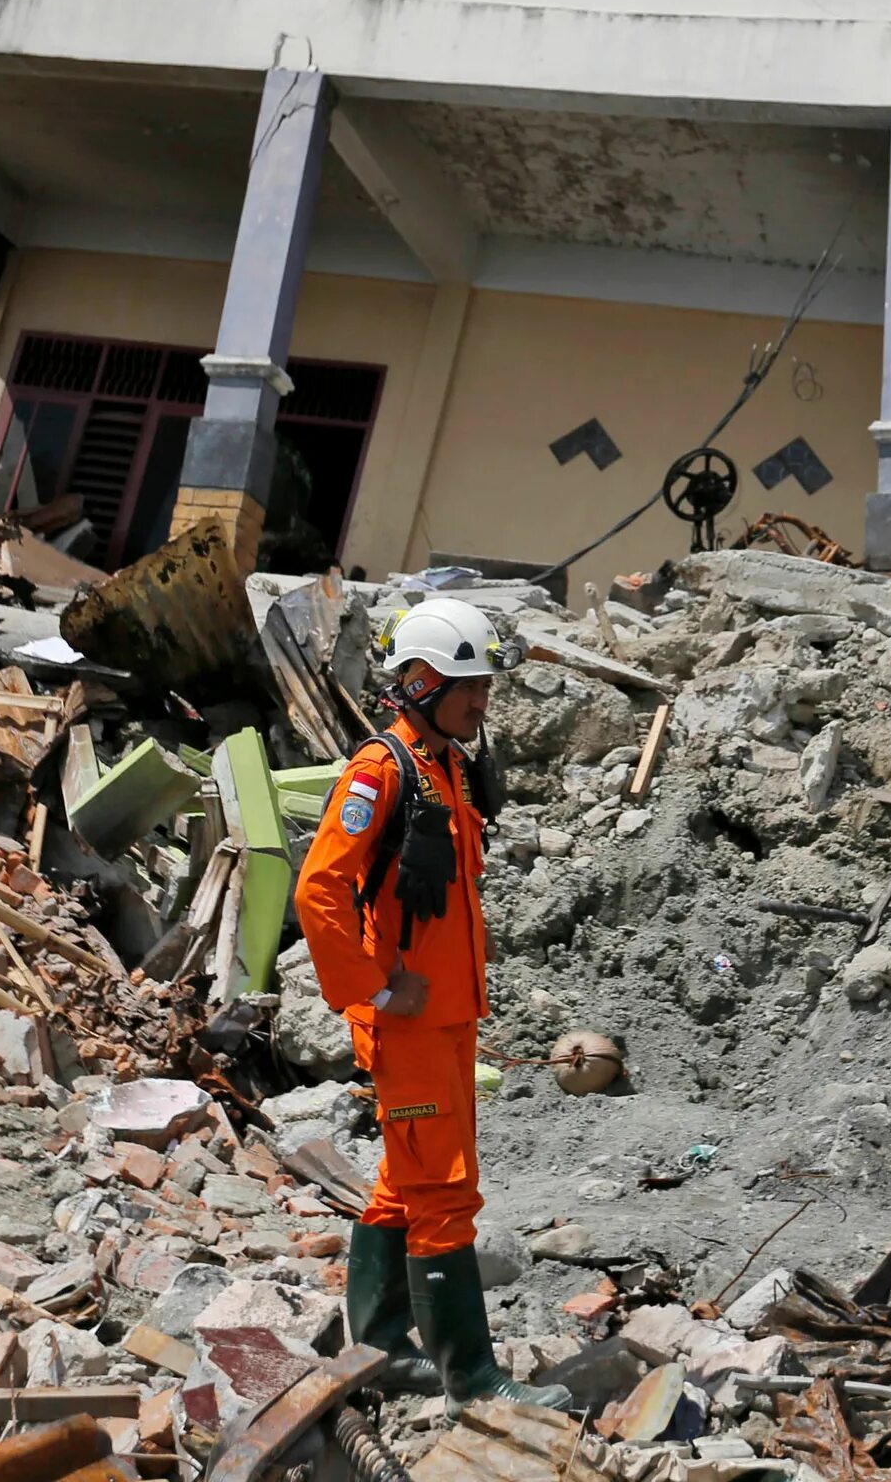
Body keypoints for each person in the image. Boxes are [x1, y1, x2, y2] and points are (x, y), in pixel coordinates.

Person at [292, 598, 572, 1410]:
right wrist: (373, 987)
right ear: (419, 682)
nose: (482, 700)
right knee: (444, 1193)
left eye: (486, 684)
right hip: (408, 1022)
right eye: (468, 685)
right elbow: (320, 890)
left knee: (403, 1182)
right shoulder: (382, 771)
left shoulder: (444, 763)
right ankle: (474, 1381)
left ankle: (379, 1344)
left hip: (449, 1018)